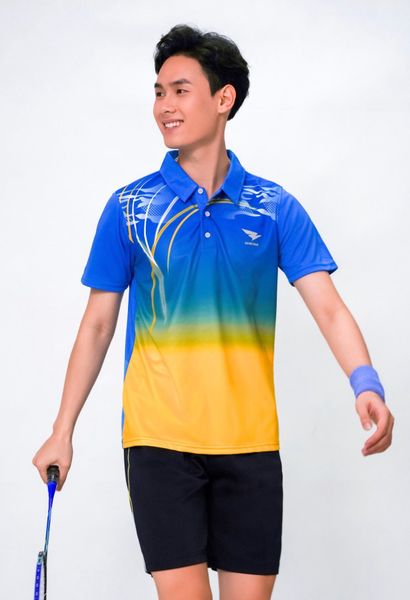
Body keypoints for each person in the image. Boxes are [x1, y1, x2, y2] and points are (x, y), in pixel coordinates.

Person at [32, 23, 395, 600]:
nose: (164, 106)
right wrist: (62, 431)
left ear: (224, 98)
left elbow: (327, 307)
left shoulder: (273, 207)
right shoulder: (130, 207)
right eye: (159, 92)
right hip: (159, 442)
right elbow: (98, 324)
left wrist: (365, 382)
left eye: (180, 90)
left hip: (250, 443)